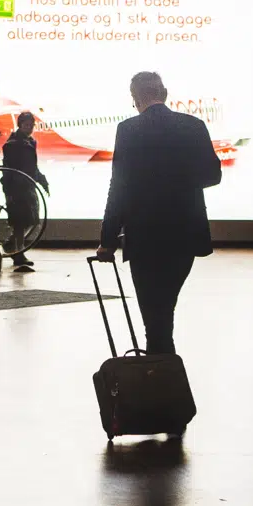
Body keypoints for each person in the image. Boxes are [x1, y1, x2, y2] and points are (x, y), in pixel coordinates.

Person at [96, 72, 221, 355]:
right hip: (184, 231)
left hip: (144, 234)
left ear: (136, 98)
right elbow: (212, 175)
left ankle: (159, 368)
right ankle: (163, 364)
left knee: (153, 311)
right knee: (165, 304)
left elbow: (119, 188)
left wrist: (108, 240)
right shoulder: (194, 126)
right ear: (164, 93)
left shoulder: (128, 130)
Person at [1, 111, 49, 271]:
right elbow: (7, 169)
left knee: (32, 220)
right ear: (20, 125)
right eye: (26, 125)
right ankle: (18, 252)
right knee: (20, 222)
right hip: (17, 188)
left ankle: (12, 245)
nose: (29, 128)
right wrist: (9, 192)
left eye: (31, 125)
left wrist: (42, 181)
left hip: (28, 186)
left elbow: (33, 167)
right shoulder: (12, 144)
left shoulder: (30, 142)